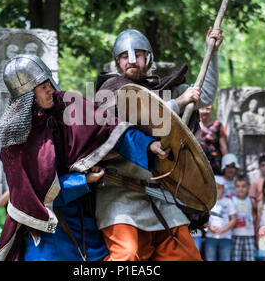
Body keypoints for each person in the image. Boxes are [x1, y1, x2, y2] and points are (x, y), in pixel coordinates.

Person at [0, 54, 169, 261]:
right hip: (45, 228)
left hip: (80, 219)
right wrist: (83, 180)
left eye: (48, 82)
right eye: (42, 87)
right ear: (27, 95)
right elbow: (36, 195)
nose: (49, 89)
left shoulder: (68, 106)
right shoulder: (17, 143)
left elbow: (109, 128)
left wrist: (148, 145)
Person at [94, 27, 223, 261]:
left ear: (149, 58)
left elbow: (203, 96)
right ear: (117, 62)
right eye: (124, 56)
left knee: (187, 257)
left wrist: (211, 52)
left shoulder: (164, 89)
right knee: (127, 255)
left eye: (137, 54)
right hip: (120, 193)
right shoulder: (110, 90)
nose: (131, 61)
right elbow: (137, 119)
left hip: (160, 195)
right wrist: (178, 103)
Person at [204, 175, 236, 261]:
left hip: (226, 236)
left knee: (225, 258)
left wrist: (224, 229)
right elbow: (202, 219)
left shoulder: (228, 201)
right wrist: (209, 227)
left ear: (223, 189)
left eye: (218, 188)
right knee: (210, 258)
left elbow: (234, 219)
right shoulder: (208, 202)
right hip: (211, 236)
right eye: (214, 188)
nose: (216, 190)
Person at [231, 176, 256, 261]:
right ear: (235, 188)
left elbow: (254, 214)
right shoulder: (232, 200)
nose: (241, 189)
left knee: (250, 257)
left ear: (248, 187)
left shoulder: (250, 200)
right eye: (238, 186)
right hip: (235, 234)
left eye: (243, 186)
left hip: (249, 234)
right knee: (235, 258)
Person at [198, 104, 228, 175]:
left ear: (212, 110)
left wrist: (227, 164)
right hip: (198, 164)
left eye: (208, 109)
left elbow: (223, 147)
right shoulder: (194, 125)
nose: (204, 111)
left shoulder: (218, 126)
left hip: (215, 164)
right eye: (202, 109)